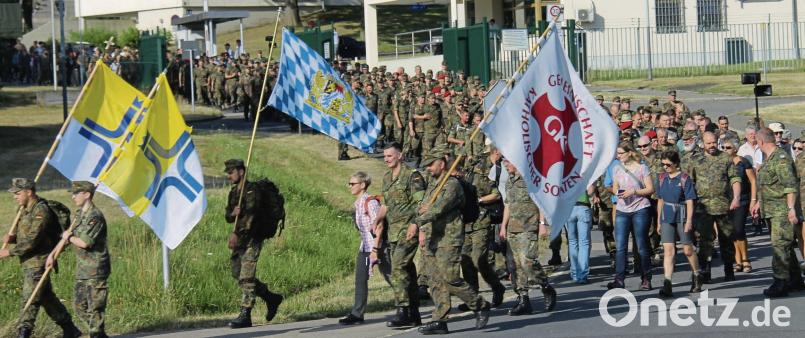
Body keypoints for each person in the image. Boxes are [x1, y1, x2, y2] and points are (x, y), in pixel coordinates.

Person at [406, 149, 491, 334]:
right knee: (435, 281)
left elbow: (438, 208)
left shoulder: (452, 185)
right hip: (431, 237)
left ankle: (480, 305)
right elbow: (422, 208)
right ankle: (440, 320)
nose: (428, 169)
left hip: (448, 238)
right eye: (426, 165)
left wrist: (416, 222)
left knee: (450, 278)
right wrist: (420, 223)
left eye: (431, 164)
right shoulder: (433, 185)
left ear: (441, 163)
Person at [0, 178, 82, 338]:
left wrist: (9, 252)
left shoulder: (41, 211)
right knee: (46, 297)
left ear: (29, 192)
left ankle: (23, 332)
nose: (14, 196)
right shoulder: (23, 210)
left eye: (17, 193)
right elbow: (24, 235)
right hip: (28, 262)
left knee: (30, 298)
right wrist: (12, 238)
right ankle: (70, 329)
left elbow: (33, 239)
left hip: (40, 262)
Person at [44, 181, 111, 338]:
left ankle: (97, 333)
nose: (73, 196)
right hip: (82, 269)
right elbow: (66, 237)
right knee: (79, 306)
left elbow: (85, 242)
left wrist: (69, 236)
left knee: (95, 307)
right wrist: (52, 254)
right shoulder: (79, 214)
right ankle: (98, 332)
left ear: (87, 194)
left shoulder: (95, 217)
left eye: (76, 193)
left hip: (96, 269)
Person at [224, 159, 284, 328]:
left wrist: (236, 233)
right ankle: (271, 298)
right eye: (228, 173)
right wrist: (232, 212)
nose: (229, 176)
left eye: (231, 172)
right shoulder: (234, 192)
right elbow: (228, 216)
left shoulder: (252, 191)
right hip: (240, 240)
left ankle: (245, 313)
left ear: (241, 172)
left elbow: (251, 217)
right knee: (237, 273)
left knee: (246, 277)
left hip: (253, 237)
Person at [499, 158, 557, 315]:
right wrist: (503, 226)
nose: (505, 165)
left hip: (529, 226)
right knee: (515, 267)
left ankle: (546, 286)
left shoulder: (531, 179)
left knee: (527, 262)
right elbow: (508, 205)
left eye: (507, 161)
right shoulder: (509, 181)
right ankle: (523, 300)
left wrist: (542, 224)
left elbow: (541, 202)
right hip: (513, 229)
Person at [752, 128, 803, 297]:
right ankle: (795, 279)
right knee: (785, 246)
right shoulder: (769, 159)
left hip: (781, 211)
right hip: (770, 210)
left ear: (760, 142)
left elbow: (790, 186)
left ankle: (780, 282)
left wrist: (790, 210)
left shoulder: (781, 159)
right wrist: (759, 202)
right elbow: (768, 186)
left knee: (779, 246)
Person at [381, 142, 426, 328]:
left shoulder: (412, 176)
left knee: (398, 267)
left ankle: (403, 310)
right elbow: (387, 205)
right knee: (407, 270)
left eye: (390, 156)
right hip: (393, 232)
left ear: (400, 155)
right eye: (384, 156)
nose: (386, 159)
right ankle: (415, 313)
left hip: (408, 230)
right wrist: (376, 220)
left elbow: (421, 204)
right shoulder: (386, 178)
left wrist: (416, 225)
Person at [688, 132, 741, 283]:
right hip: (703, 208)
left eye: (713, 143)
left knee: (726, 238)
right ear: (702, 143)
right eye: (708, 143)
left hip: (723, 205)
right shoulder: (695, 160)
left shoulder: (725, 158)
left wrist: (736, 197)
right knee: (705, 240)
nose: (711, 146)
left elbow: (735, 178)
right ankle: (705, 270)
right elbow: (690, 183)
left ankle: (729, 269)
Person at [339, 171, 390, 324]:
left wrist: (375, 251)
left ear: (362, 185)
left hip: (377, 247)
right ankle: (357, 314)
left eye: (352, 183)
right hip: (365, 247)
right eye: (349, 183)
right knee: (361, 279)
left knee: (392, 276)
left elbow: (379, 226)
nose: (350, 186)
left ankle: (409, 306)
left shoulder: (370, 202)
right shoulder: (358, 203)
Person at [655, 152, 703, 298]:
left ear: (676, 163)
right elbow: (660, 200)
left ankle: (696, 275)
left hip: (681, 216)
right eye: (663, 164)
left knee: (688, 249)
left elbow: (690, 201)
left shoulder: (684, 178)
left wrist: (689, 220)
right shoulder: (661, 178)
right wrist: (658, 220)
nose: (665, 167)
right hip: (667, 216)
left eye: (668, 164)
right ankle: (667, 283)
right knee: (668, 251)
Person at [608, 143, 655, 290]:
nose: (618, 156)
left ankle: (646, 278)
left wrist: (634, 191)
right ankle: (619, 279)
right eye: (617, 153)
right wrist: (618, 192)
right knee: (621, 246)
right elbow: (614, 186)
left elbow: (650, 189)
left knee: (641, 245)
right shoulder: (617, 168)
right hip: (622, 209)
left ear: (629, 153)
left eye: (621, 153)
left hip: (640, 208)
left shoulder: (642, 168)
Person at [722, 137, 756, 273]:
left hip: (742, 200)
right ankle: (738, 260)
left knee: (739, 229)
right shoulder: (721, 163)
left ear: (735, 149)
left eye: (728, 147)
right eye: (723, 147)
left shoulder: (743, 162)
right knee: (731, 232)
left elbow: (753, 181)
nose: (725, 150)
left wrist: (753, 200)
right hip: (725, 201)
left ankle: (746, 259)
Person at [564, 185, 596, 284]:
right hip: (583, 207)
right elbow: (590, 191)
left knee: (572, 242)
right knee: (584, 243)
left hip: (568, 207)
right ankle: (582, 275)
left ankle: (574, 274)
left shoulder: (564, 172)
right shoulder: (585, 171)